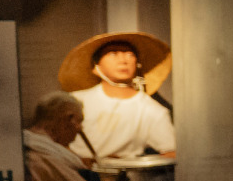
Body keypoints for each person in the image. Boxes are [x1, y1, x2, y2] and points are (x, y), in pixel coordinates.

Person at [61, 32, 176, 163]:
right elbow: (53, 140)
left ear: (137, 64)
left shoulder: (151, 110)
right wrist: (80, 161)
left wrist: (127, 164)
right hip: (72, 170)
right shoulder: (76, 102)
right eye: (113, 54)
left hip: (123, 173)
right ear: (96, 67)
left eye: (130, 54)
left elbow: (171, 152)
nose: (123, 61)